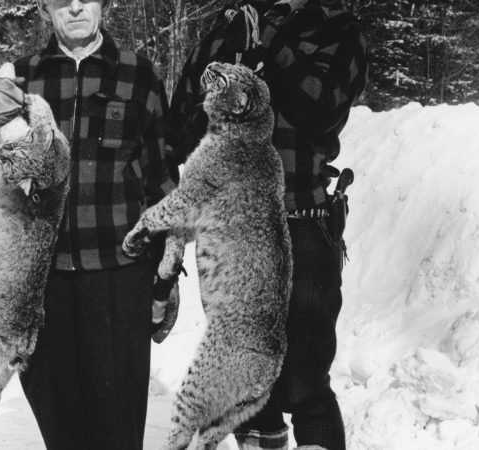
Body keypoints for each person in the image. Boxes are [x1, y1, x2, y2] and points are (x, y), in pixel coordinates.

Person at [0, 0, 175, 448]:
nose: (76, 6)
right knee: (62, 433)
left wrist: (162, 280)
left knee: (117, 435)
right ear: (46, 8)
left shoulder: (140, 74)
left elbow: (162, 184)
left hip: (119, 279)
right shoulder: (20, 78)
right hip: (43, 284)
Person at [167, 0, 368, 449]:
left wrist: (265, 47)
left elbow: (321, 105)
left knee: (305, 385)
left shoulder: (337, 28)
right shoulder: (227, 29)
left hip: (300, 224)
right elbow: (180, 127)